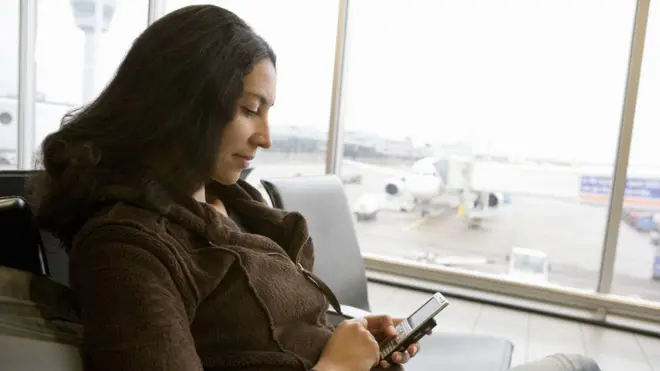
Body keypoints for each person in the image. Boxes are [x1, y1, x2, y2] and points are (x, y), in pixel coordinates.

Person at [28, 4, 600, 371]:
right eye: (251, 109)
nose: (267, 137)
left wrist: (341, 335)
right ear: (184, 105)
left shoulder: (233, 203)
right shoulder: (126, 250)